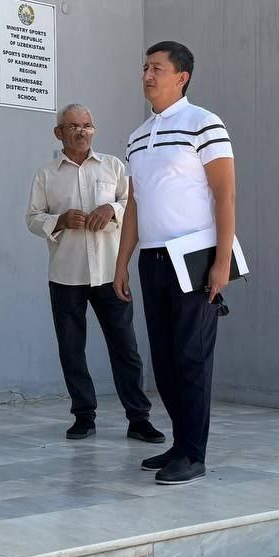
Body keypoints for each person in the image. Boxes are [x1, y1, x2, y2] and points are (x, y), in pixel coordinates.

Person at [114, 41, 236, 486]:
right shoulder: (137, 136)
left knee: (191, 357)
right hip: (153, 259)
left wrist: (222, 262)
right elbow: (135, 204)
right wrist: (122, 263)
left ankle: (193, 454)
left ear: (181, 77)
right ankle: (181, 443)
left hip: (195, 257)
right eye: (144, 67)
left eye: (157, 68)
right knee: (164, 360)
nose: (147, 75)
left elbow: (225, 194)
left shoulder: (204, 123)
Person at [26, 103, 164, 443]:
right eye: (73, 126)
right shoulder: (47, 174)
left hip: (110, 272)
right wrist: (59, 220)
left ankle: (139, 419)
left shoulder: (114, 166)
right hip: (66, 275)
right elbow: (32, 218)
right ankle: (83, 416)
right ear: (59, 133)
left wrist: (112, 209)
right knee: (71, 349)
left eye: (87, 125)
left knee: (125, 347)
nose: (81, 131)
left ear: (94, 129)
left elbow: (134, 204)